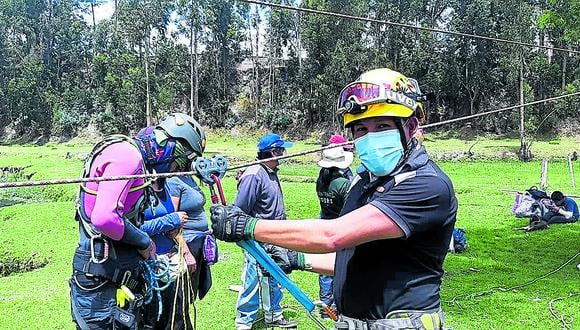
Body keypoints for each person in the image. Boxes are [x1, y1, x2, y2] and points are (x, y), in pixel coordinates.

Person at [210, 68, 458, 330]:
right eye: (361, 128)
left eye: (382, 126)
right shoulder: (365, 183)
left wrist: (248, 226)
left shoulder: (427, 185)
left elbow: (332, 235)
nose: (370, 136)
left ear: (411, 126)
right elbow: (352, 256)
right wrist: (298, 260)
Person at [70, 113, 206, 329]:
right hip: (102, 278)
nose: (175, 171)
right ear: (171, 147)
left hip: (113, 274)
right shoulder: (128, 157)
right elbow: (105, 219)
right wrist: (144, 241)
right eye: (179, 163)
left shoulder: (135, 160)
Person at [233, 132, 297, 330]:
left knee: (274, 277)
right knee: (252, 280)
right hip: (256, 238)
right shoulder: (254, 174)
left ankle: (273, 314)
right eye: (281, 150)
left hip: (274, 237)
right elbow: (239, 209)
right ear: (272, 152)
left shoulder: (270, 172)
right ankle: (244, 321)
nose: (284, 153)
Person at [315, 144, 354, 318]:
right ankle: (338, 305)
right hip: (340, 226)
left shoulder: (321, 179)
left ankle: (325, 307)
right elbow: (352, 207)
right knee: (339, 266)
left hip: (325, 223)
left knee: (324, 269)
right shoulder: (343, 184)